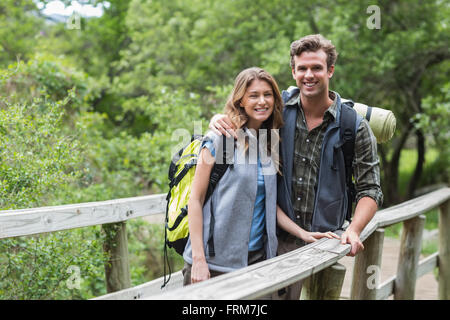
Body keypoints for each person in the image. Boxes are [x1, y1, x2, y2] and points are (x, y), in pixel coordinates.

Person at [209, 34, 383, 299]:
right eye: (302, 68)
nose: (309, 75)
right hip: (275, 238)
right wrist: (218, 118)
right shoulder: (278, 113)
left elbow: (370, 189)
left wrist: (354, 229)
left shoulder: (354, 126)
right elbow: (243, 112)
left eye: (316, 68)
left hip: (326, 242)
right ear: (293, 71)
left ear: (330, 70)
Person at [182, 67, 339, 286]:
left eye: (267, 95)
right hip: (213, 263)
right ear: (240, 101)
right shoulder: (220, 139)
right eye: (253, 95)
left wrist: (303, 234)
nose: (262, 101)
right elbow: (195, 200)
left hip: (256, 262)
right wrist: (199, 260)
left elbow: (268, 203)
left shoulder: (269, 143)